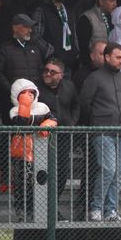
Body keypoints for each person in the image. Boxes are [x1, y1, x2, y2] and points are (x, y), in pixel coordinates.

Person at [80, 43, 121, 222]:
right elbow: (85, 104)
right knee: (108, 169)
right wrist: (95, 122)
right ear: (107, 57)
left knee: (118, 173)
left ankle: (111, 210)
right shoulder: (94, 78)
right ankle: (96, 208)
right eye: (118, 57)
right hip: (102, 130)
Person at [7, 78, 57, 220]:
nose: (29, 95)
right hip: (21, 152)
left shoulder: (43, 107)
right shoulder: (14, 111)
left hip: (40, 152)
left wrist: (45, 126)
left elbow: (54, 119)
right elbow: (21, 123)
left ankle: (38, 210)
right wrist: (25, 105)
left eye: (31, 92)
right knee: (22, 183)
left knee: (40, 181)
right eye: (24, 93)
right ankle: (22, 211)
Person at [0, 14, 46, 126]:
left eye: (31, 27)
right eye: (26, 27)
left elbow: (40, 72)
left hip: (33, 104)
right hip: (11, 105)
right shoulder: (3, 49)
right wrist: (14, 91)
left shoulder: (35, 49)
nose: (30, 30)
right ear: (15, 28)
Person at [37, 57, 79, 200]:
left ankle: (53, 205)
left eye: (53, 72)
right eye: (46, 70)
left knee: (61, 172)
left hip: (62, 136)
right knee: (41, 172)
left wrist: (72, 122)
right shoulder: (35, 88)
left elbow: (76, 105)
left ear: (61, 75)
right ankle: (38, 207)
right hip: (41, 137)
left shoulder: (69, 86)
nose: (48, 74)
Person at [33, 0, 79, 72]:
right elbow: (35, 35)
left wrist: (76, 50)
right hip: (52, 62)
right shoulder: (42, 10)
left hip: (70, 61)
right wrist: (50, 50)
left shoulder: (69, 11)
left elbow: (74, 34)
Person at [76, 0, 117, 68]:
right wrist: (90, 65)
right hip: (92, 66)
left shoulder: (113, 17)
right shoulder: (87, 17)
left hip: (109, 64)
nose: (115, 4)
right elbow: (82, 46)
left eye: (116, 1)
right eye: (111, 0)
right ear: (101, 1)